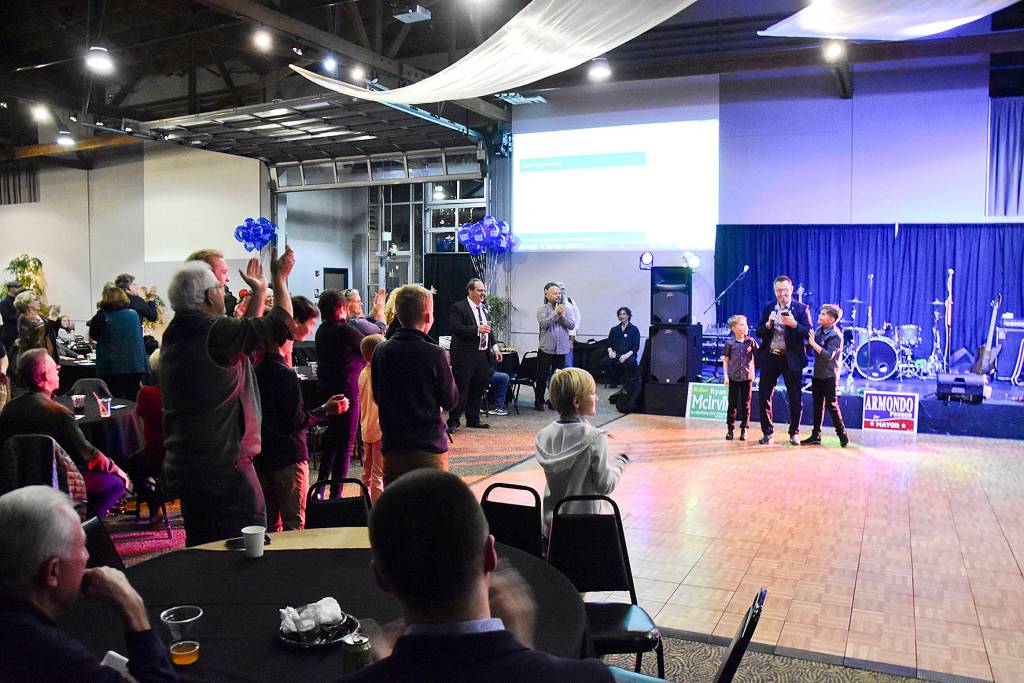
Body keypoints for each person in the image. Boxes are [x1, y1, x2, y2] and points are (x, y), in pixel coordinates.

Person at [335, 469, 614, 683]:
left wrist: (388, 666)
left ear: (381, 578)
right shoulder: (589, 678)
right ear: (490, 555)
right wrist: (523, 650)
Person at [161, 245, 294, 546]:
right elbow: (281, 326)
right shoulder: (213, 332)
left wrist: (260, 293)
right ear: (209, 296)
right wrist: (280, 279)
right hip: (226, 468)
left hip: (192, 465)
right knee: (243, 548)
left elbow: (242, 338)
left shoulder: (176, 332)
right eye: (220, 285)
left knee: (203, 547)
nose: (225, 290)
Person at [0, 486, 177, 683]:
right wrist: (133, 608)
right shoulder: (54, 658)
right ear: (53, 571)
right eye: (82, 547)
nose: (88, 556)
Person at [0, 349, 130, 517]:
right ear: (45, 376)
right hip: (58, 479)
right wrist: (117, 470)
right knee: (116, 483)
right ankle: (84, 526)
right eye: (56, 369)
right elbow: (87, 454)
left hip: (16, 480)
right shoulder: (57, 413)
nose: (58, 372)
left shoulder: (9, 409)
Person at [256, 295, 349, 530]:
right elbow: (296, 421)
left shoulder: (255, 370)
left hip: (263, 456)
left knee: (269, 526)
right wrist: (325, 409)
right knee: (295, 525)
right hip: (288, 457)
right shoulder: (284, 374)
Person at [371, 285, 458, 486]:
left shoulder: (381, 351)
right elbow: (451, 400)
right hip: (428, 449)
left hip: (393, 448)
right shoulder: (435, 354)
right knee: (429, 512)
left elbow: (378, 396)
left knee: (399, 510)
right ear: (428, 317)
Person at [534, 368, 629, 531]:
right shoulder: (595, 438)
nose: (597, 397)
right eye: (592, 393)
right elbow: (605, 485)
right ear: (577, 402)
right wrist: (621, 461)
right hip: (587, 528)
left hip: (553, 525)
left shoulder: (543, 435)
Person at [315, 290, 365, 496]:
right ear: (341, 308)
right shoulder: (344, 330)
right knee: (345, 446)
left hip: (328, 392)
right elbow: (369, 345)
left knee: (331, 443)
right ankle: (336, 495)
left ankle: (319, 489)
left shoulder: (320, 331)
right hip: (347, 394)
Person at [755, 275, 812, 445]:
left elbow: (809, 333)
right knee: (764, 395)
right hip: (770, 356)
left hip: (791, 359)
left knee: (795, 397)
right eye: (778, 291)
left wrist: (794, 324)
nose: (782, 294)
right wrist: (768, 324)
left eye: (785, 290)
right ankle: (768, 433)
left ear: (791, 290)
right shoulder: (768, 308)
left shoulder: (801, 309)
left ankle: (794, 432)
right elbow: (759, 331)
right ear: (775, 291)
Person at [448, 278, 503, 432]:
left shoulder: (484, 308)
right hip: (464, 356)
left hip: (482, 356)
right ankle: (453, 421)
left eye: (483, 290)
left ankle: (473, 419)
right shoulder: (459, 307)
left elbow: (488, 330)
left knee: (478, 388)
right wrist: (476, 330)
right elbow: (455, 328)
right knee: (462, 389)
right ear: (470, 291)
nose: (483, 293)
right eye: (479, 290)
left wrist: (495, 348)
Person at [88, 284, 149, 400]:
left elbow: (93, 335)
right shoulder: (133, 314)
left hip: (112, 366)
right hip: (135, 366)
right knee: (131, 399)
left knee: (114, 399)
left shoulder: (102, 316)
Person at [802, 304, 850, 447]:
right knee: (817, 405)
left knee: (832, 405)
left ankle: (842, 434)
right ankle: (816, 435)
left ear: (832, 320)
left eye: (823, 314)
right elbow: (810, 347)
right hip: (818, 374)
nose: (820, 316)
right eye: (821, 313)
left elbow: (828, 355)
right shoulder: (819, 330)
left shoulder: (836, 336)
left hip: (829, 376)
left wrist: (812, 343)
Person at [131, 350, 166, 527]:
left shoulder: (147, 394)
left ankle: (154, 506)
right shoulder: (182, 392)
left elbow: (140, 419)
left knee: (131, 462)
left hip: (156, 453)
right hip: (182, 452)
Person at [534, 282, 577, 411]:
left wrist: (562, 315)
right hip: (546, 348)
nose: (558, 295)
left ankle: (554, 402)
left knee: (557, 378)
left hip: (561, 349)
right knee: (542, 376)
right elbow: (543, 324)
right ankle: (539, 401)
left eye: (559, 293)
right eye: (555, 293)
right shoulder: (542, 308)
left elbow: (571, 325)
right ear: (547, 295)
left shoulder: (566, 309)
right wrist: (555, 314)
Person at [358, 333, 385, 502]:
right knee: (378, 474)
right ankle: (376, 509)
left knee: (367, 473)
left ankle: (362, 507)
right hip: (379, 428)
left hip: (366, 428)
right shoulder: (379, 375)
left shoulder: (363, 373)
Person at [722, 314, 758, 442]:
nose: (745, 327)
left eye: (746, 324)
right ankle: (730, 429)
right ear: (734, 328)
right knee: (732, 404)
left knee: (746, 404)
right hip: (733, 377)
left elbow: (758, 357)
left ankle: (744, 429)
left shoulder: (751, 341)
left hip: (747, 378)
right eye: (742, 324)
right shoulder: (729, 343)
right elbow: (726, 360)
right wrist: (726, 376)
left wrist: (757, 375)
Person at [600, 306, 641, 389]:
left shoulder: (634, 329)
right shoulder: (614, 329)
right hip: (616, 353)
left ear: (628, 316)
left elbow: (636, 347)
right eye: (620, 314)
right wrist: (610, 352)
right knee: (604, 362)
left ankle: (628, 383)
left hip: (629, 354)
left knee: (632, 363)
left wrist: (626, 356)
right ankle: (614, 380)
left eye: (624, 314)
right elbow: (609, 344)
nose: (621, 316)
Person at [15, 290, 60, 362]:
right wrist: (52, 316)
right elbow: (41, 331)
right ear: (27, 303)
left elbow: (51, 329)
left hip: (46, 352)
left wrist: (56, 316)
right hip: (32, 356)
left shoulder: (40, 316)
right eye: (35, 300)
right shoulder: (24, 318)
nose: (39, 302)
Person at [555, 283, 580, 368]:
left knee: (567, 363)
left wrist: (571, 338)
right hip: (554, 339)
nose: (561, 291)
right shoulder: (551, 303)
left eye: (563, 289)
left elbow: (576, 319)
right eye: (559, 289)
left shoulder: (570, 302)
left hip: (567, 337)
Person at [0, 280, 22, 353]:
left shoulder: (18, 301)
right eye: (17, 287)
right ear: (11, 289)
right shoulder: (4, 302)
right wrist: (20, 316)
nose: (19, 289)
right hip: (9, 334)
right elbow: (7, 316)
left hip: (17, 332)